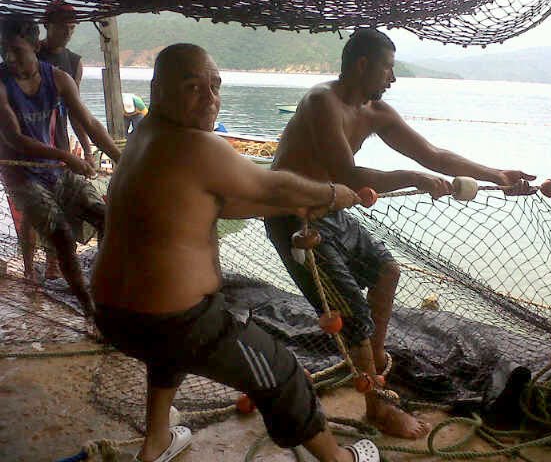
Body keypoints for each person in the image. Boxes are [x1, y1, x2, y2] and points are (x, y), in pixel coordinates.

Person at [91, 43, 379, 462]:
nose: (209, 98)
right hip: (175, 321)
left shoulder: (144, 139)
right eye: (193, 86)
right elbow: (270, 185)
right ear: (157, 90)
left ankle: (156, 443)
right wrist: (332, 194)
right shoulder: (196, 145)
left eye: (215, 85)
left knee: (167, 358)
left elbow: (227, 202)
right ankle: (338, 459)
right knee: (280, 371)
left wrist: (298, 206)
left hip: (117, 316)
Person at [264, 28, 536, 439]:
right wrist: (411, 177)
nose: (392, 78)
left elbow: (433, 155)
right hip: (294, 218)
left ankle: (371, 364)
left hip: (332, 209)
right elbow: (348, 173)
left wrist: (495, 173)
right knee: (350, 311)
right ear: (362, 65)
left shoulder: (377, 111)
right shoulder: (323, 101)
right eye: (387, 68)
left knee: (387, 271)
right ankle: (376, 404)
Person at [0, 17, 121, 316]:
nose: (9, 58)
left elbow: (90, 122)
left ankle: (104, 287)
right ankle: (89, 307)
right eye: (4, 50)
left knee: (108, 218)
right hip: (22, 175)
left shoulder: (58, 78)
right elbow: (14, 138)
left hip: (57, 169)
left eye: (16, 50)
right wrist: (68, 157)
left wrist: (121, 159)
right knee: (62, 237)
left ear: (34, 45)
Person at [38, 0, 91, 280]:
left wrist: (86, 146)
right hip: (32, 139)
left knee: (61, 201)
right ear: (47, 25)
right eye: (62, 27)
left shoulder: (74, 62)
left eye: (71, 28)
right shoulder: (32, 54)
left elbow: (75, 110)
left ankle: (55, 260)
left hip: (59, 142)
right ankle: (43, 263)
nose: (68, 32)